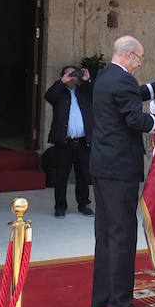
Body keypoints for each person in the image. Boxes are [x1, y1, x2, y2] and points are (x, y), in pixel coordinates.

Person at [90, 36, 155, 307]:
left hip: (102, 167)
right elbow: (135, 120)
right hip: (120, 169)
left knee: (105, 234)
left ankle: (101, 299)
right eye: (139, 59)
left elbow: (134, 93)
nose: (140, 64)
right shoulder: (121, 81)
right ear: (128, 55)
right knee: (123, 238)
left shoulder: (106, 77)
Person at [45, 64, 94, 218]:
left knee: (84, 175)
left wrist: (88, 79)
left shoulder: (84, 91)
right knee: (61, 175)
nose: (72, 77)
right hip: (64, 142)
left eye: (74, 74)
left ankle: (83, 204)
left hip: (82, 141)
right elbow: (49, 96)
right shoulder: (59, 93)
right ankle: (60, 207)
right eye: (69, 74)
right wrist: (62, 82)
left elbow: (98, 94)